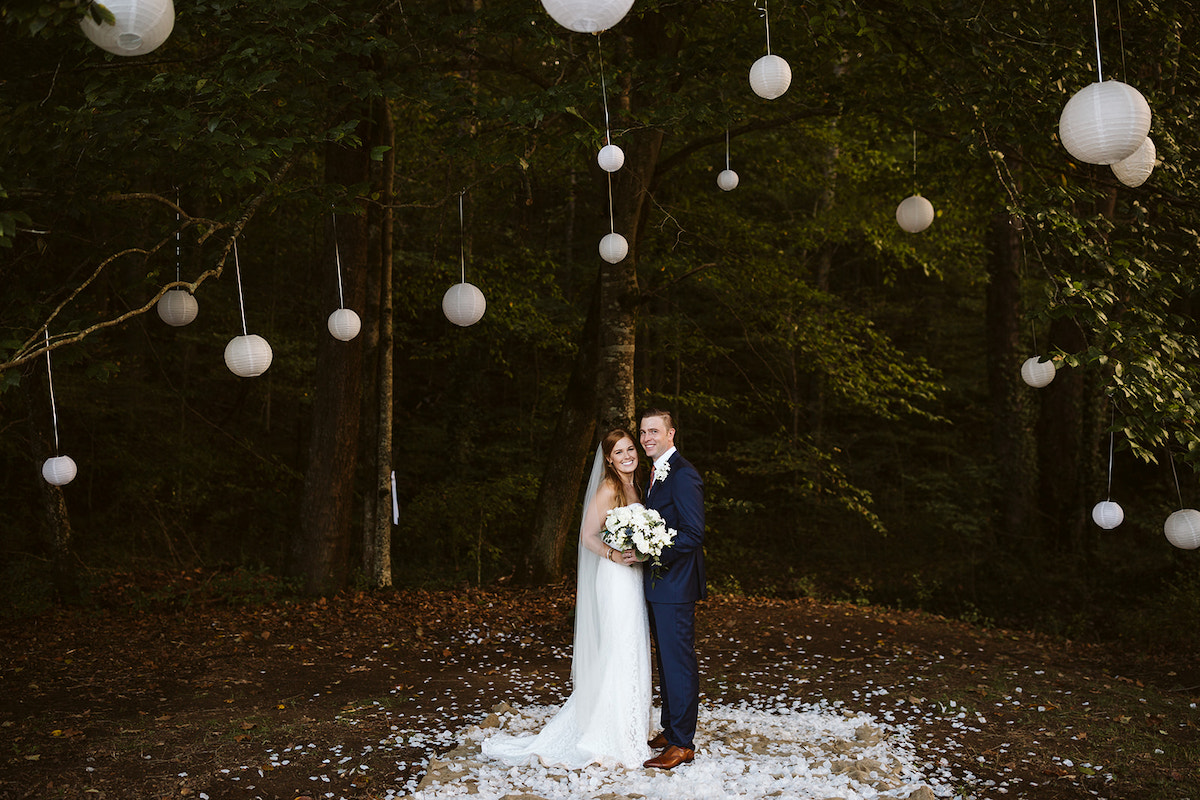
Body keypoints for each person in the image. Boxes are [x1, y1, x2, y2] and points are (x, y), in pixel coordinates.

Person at [480, 428, 652, 769]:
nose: (627, 455)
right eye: (619, 452)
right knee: (618, 649)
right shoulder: (608, 487)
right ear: (608, 459)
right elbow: (588, 536)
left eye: (630, 448)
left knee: (632, 647)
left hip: (634, 577)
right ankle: (606, 735)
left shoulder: (638, 485)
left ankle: (629, 730)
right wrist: (614, 555)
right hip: (615, 575)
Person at [639, 408, 705, 770]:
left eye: (654, 431)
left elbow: (693, 534)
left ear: (670, 434)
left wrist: (648, 549)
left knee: (678, 663)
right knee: (667, 662)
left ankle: (682, 743)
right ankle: (671, 727)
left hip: (676, 585)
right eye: (643, 432)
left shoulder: (683, 474)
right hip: (659, 584)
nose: (647, 437)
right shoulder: (656, 473)